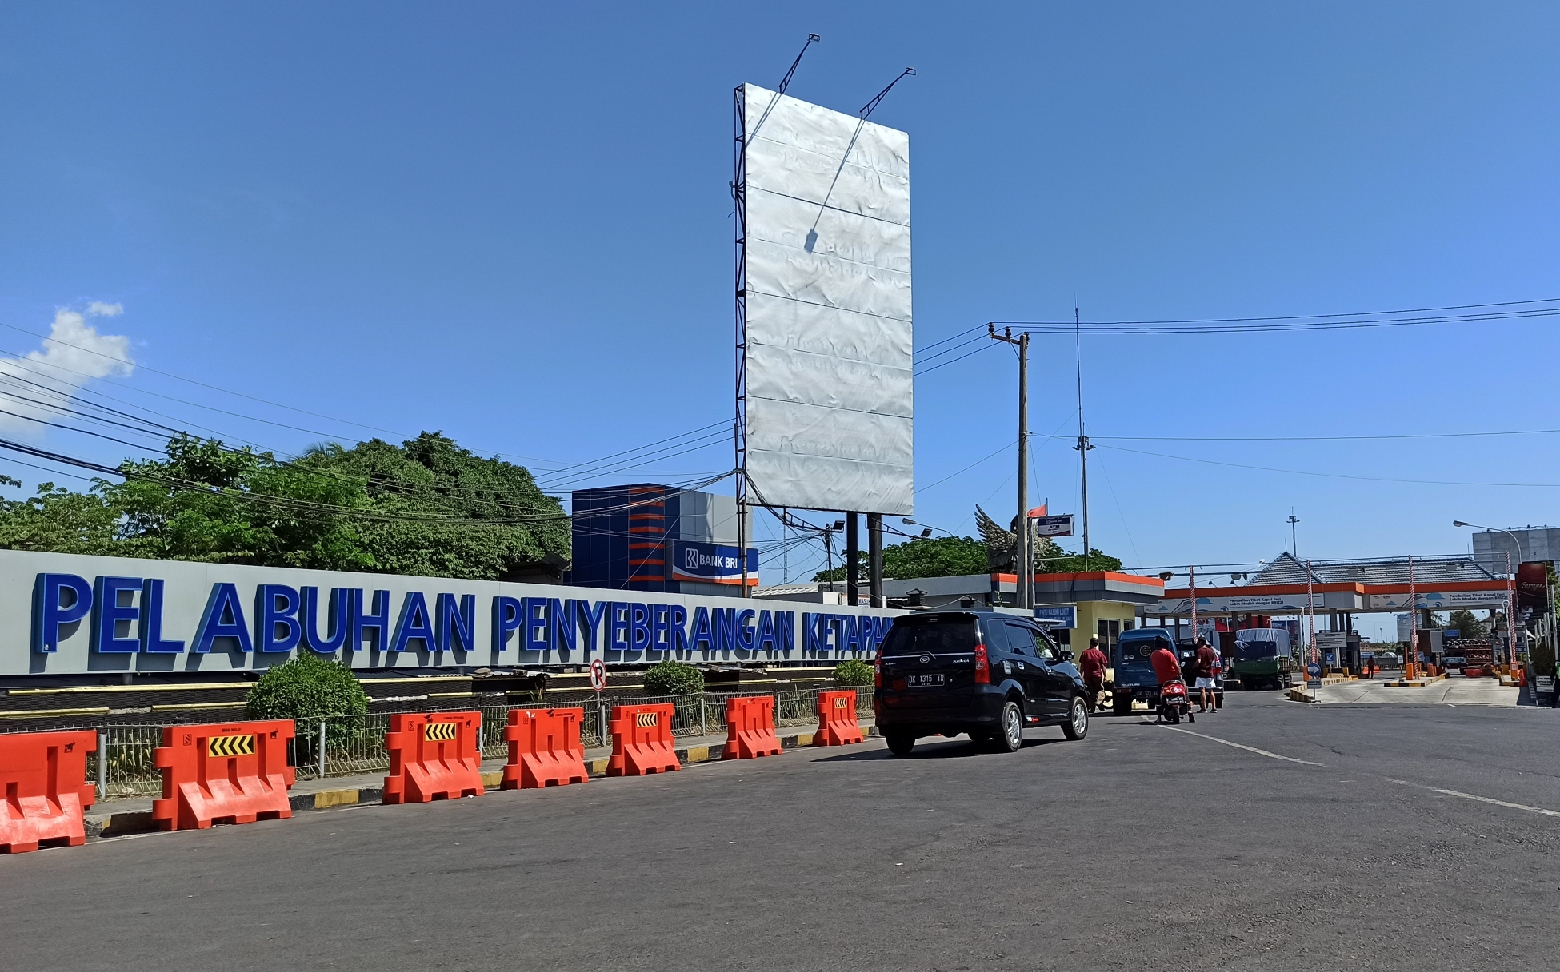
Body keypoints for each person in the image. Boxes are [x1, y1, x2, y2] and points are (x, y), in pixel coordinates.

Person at [1079, 636, 1108, 712]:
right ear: (1097, 644)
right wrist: (1105, 676)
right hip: (1097, 675)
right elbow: (1103, 666)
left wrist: (1080, 674)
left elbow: (1083, 665)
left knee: (1090, 691)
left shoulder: (1085, 653)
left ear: (1090, 643)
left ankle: (1092, 708)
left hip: (1088, 676)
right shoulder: (1100, 653)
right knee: (1100, 690)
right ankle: (1099, 702)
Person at [1194, 637, 1220, 713]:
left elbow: (1199, 661)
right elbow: (1214, 660)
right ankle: (1214, 707)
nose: (1197, 644)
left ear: (1201, 643)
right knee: (1211, 690)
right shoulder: (1211, 651)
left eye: (1198, 642)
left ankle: (1204, 708)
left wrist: (1194, 666)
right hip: (1210, 672)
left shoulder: (1199, 651)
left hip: (1201, 672)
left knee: (1202, 690)